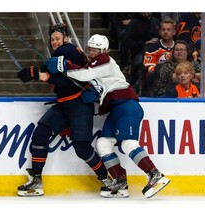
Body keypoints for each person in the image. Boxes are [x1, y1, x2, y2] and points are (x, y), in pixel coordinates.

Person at [45, 34, 170, 198]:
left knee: (128, 143)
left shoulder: (104, 60)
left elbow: (84, 74)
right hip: (115, 108)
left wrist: (64, 66)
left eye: (95, 50)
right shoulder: (96, 64)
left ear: (104, 50)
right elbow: (96, 83)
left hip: (126, 105)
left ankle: (155, 174)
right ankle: (120, 181)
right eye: (90, 49)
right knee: (103, 144)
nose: (92, 53)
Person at [16, 24, 112, 197]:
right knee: (41, 134)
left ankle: (107, 180)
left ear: (66, 38)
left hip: (79, 105)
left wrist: (33, 73)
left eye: (57, 38)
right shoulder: (68, 51)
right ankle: (37, 180)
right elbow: (55, 75)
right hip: (64, 104)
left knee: (81, 147)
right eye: (52, 39)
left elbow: (57, 79)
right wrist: (35, 72)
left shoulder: (66, 50)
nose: (54, 42)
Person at [123, 12, 160, 93]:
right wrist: (144, 43)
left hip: (157, 52)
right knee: (140, 62)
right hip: (139, 52)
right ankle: (138, 87)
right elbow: (127, 42)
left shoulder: (156, 22)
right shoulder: (134, 23)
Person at [142, 17, 176, 96]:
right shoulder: (152, 48)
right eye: (163, 30)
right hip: (158, 79)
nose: (166, 32)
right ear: (160, 32)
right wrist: (167, 74)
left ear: (174, 32)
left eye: (169, 30)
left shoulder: (179, 47)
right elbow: (149, 67)